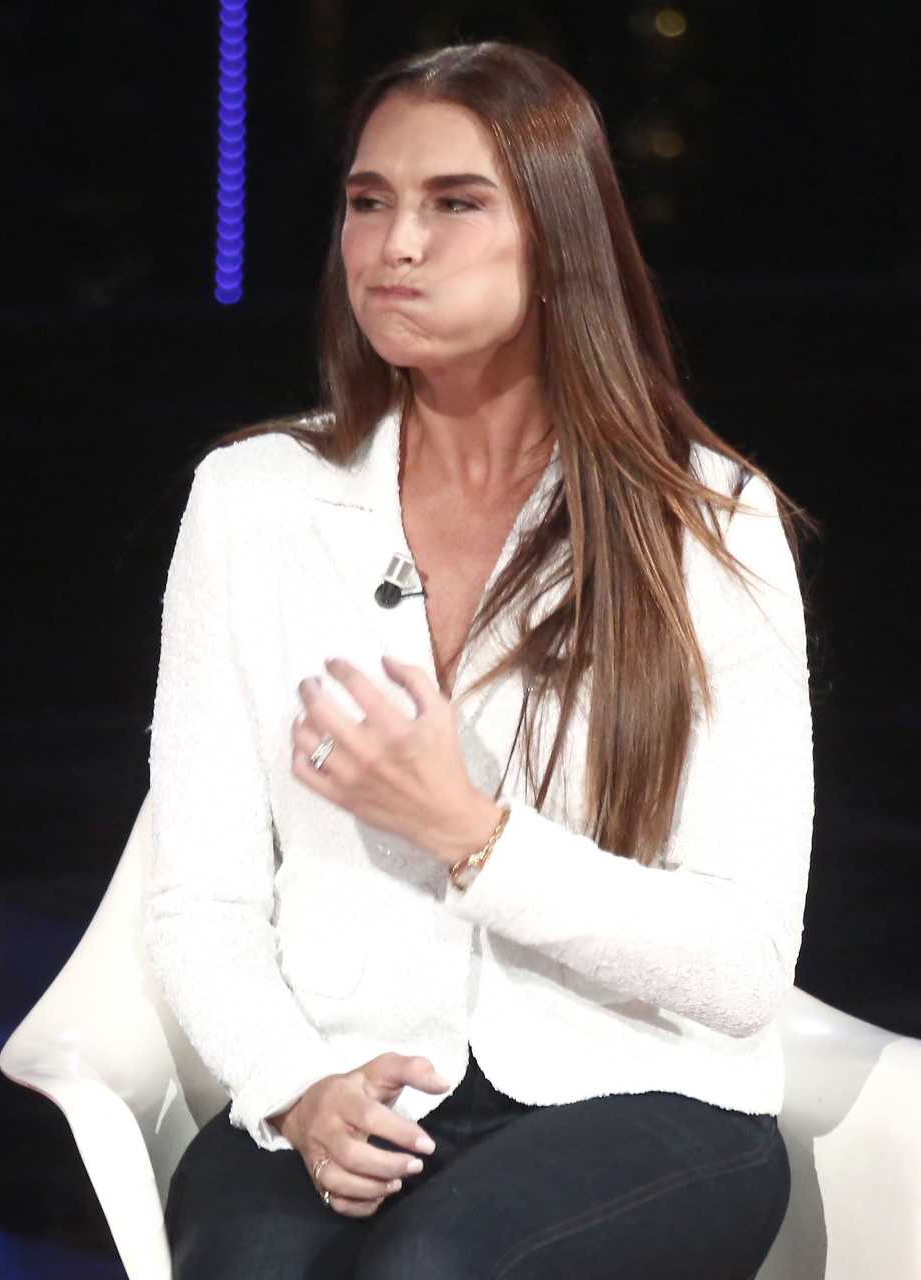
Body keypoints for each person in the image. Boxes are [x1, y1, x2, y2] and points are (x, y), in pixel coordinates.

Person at [145, 42, 808, 1279]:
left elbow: (743, 962)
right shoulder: (250, 499)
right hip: (349, 1070)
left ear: (557, 240)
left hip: (641, 1090)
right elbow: (201, 899)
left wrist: (471, 834)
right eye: (368, 202)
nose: (395, 246)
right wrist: (295, 1086)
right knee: (251, 1257)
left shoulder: (705, 522)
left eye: (453, 204)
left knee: (437, 1265)